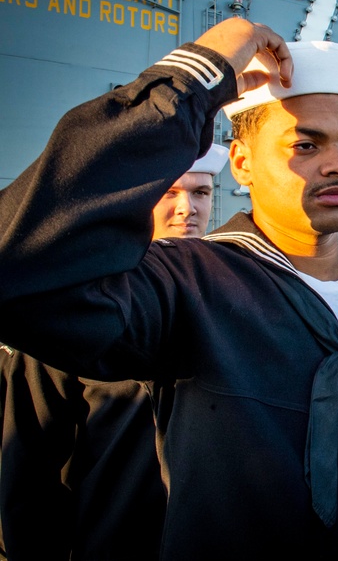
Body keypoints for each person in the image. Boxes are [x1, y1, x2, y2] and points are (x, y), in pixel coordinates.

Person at [0, 19, 338, 559]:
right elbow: (19, 272)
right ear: (243, 165)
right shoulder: (185, 286)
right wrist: (194, 75)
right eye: (305, 144)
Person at [0, 145, 227, 560]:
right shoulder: (76, 308)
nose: (187, 209)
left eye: (201, 193)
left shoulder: (231, 298)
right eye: (168, 192)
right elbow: (26, 470)